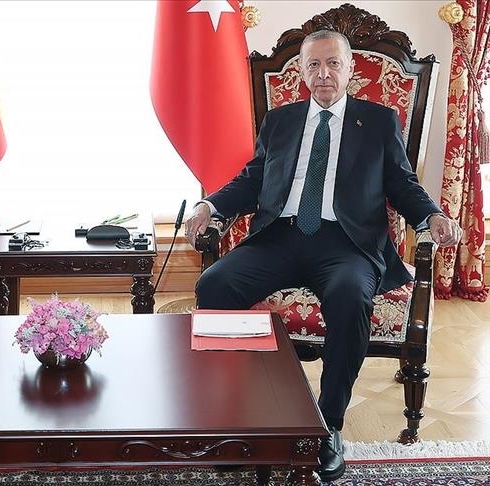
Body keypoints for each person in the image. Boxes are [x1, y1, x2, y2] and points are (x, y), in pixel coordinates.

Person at [183, 30, 461, 482]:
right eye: (313, 64)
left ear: (350, 69)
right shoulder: (281, 120)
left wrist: (431, 217)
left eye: (333, 63)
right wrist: (208, 206)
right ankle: (236, 414)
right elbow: (252, 180)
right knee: (214, 285)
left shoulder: (379, 121)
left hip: (346, 243)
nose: (324, 73)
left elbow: (403, 184)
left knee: (351, 297)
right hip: (280, 236)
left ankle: (328, 426)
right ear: (301, 72)